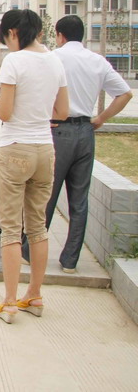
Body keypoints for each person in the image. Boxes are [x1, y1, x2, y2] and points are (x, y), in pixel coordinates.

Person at [20, 15, 132, 274]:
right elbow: (125, 93)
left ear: (59, 35)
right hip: (85, 132)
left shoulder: (53, 58)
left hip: (58, 130)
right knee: (79, 200)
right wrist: (100, 119)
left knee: (46, 194)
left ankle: (30, 252)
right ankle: (70, 260)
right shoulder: (97, 61)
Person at [0, 9, 68, 324]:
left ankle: (10, 302)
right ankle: (34, 295)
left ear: (13, 32)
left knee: (11, 228)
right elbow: (62, 111)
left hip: (15, 148)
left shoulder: (14, 61)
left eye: (6, 38)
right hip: (45, 149)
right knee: (38, 227)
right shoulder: (55, 60)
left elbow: (6, 113)